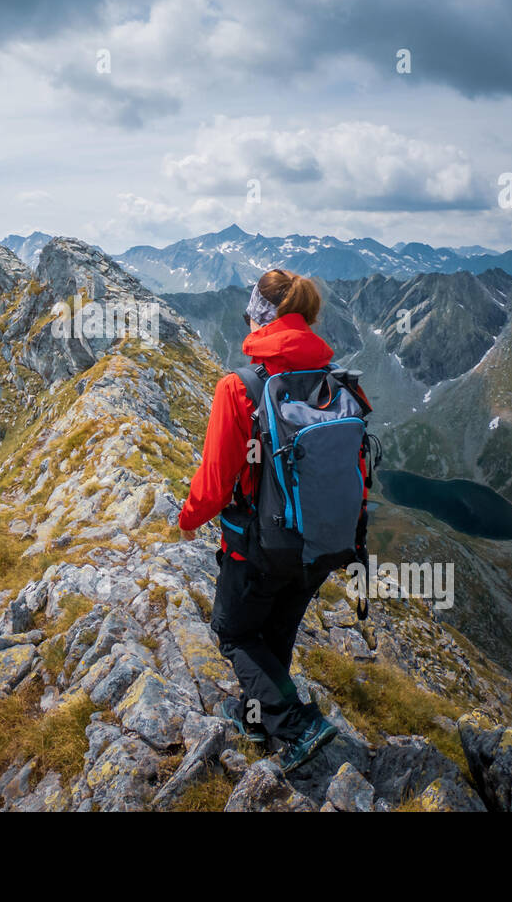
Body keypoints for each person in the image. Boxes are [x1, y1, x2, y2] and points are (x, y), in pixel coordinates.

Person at [178, 268, 341, 772]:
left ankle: (296, 725)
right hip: (320, 544)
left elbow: (216, 481)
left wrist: (187, 520)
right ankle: (255, 718)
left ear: (260, 317)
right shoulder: (330, 382)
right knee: (274, 636)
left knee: (233, 631)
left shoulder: (240, 386)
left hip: (259, 545)